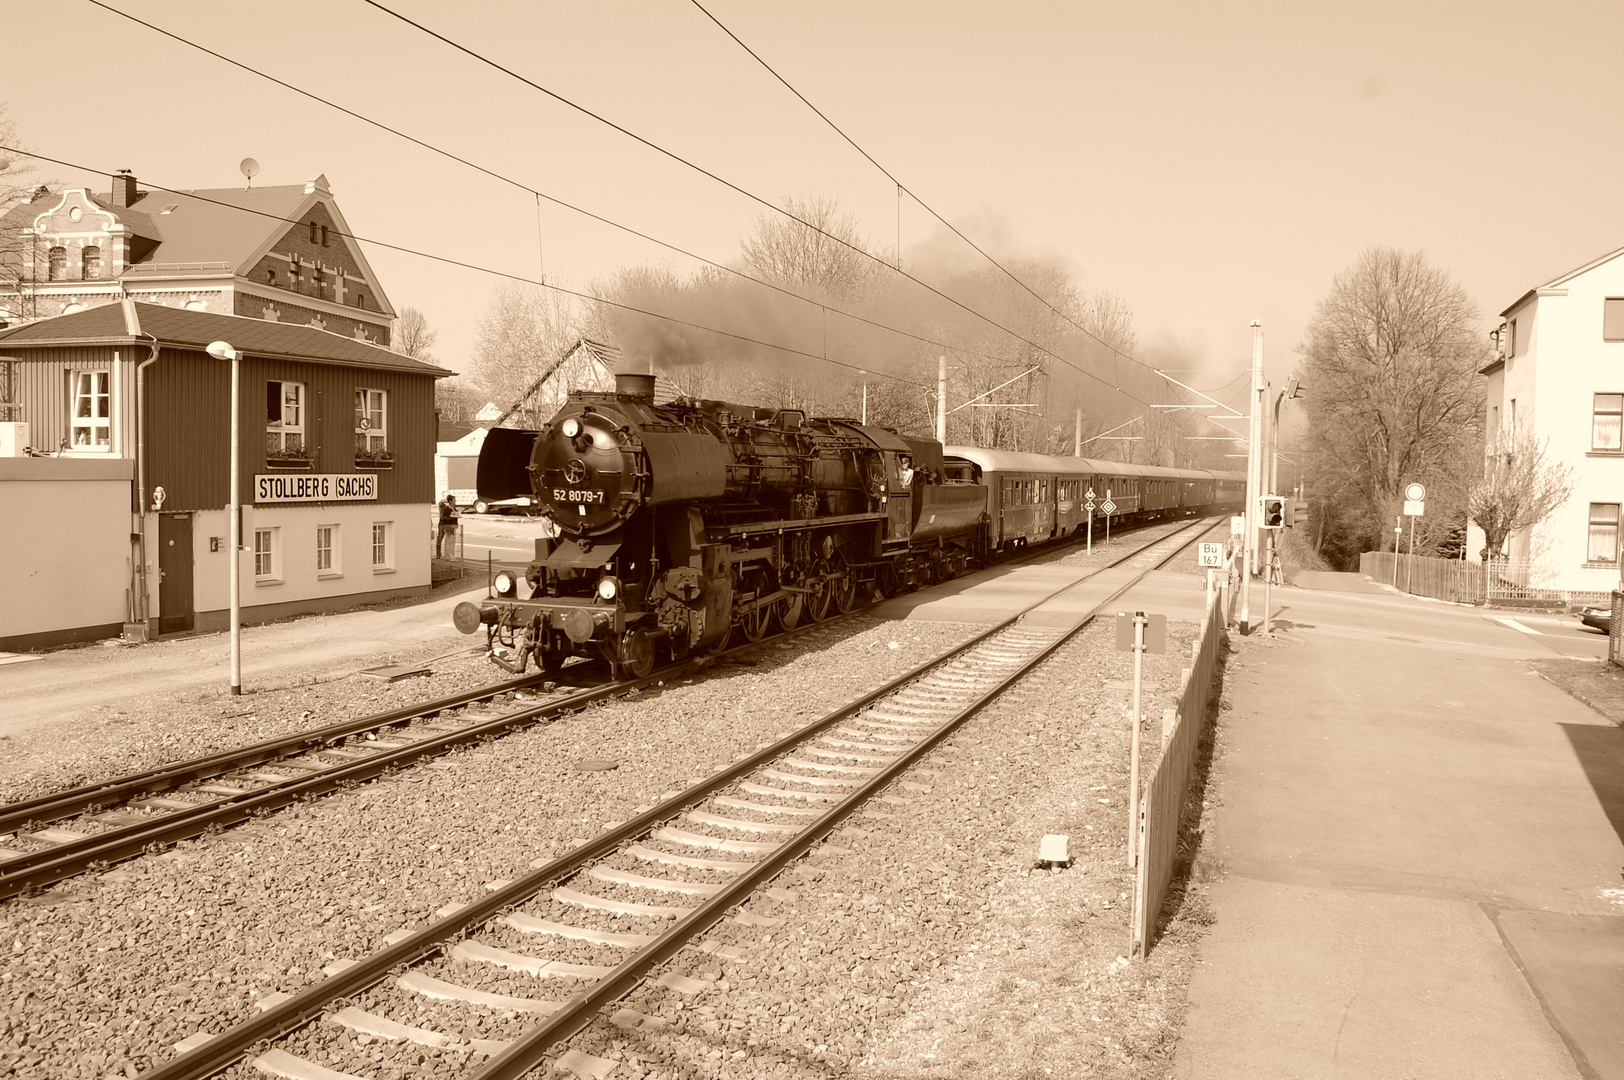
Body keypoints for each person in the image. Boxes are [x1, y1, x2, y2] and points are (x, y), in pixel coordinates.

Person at [437, 494, 460, 559]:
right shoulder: (447, 509)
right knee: (449, 541)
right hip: (449, 526)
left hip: (454, 525)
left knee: (452, 542)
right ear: (450, 501)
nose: (455, 501)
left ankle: (450, 555)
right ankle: (449, 556)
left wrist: (457, 514)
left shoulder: (454, 508)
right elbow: (445, 518)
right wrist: (452, 516)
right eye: (454, 500)